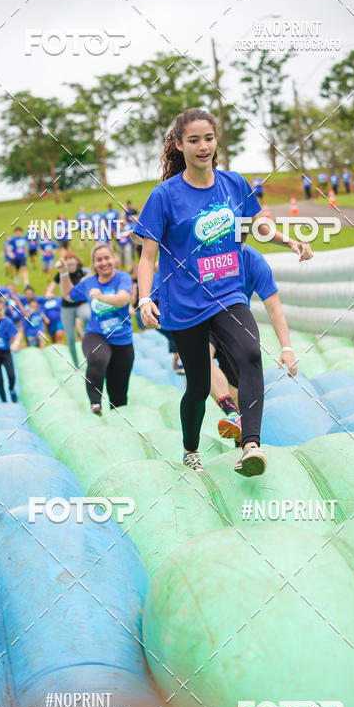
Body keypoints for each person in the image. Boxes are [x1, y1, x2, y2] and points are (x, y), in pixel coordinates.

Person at [135, 107, 266, 477]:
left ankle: (251, 445)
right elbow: (147, 257)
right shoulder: (165, 196)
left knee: (251, 354)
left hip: (227, 293)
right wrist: (146, 298)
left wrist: (290, 240)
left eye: (208, 138)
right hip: (184, 305)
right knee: (198, 385)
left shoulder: (234, 184)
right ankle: (191, 448)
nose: (203, 146)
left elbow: (259, 224)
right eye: (194, 140)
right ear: (179, 145)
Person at [211, 242, 297, 444]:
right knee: (200, 357)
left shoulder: (254, 261)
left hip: (234, 324)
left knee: (238, 388)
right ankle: (230, 411)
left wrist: (287, 348)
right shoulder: (207, 254)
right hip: (204, 319)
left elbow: (274, 308)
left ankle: (243, 441)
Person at [57, 244, 134, 415]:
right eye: (99, 259)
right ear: (93, 263)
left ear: (113, 259)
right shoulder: (89, 282)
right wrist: (63, 273)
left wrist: (100, 296)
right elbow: (68, 295)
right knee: (98, 357)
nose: (104, 262)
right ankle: (95, 404)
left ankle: (117, 422)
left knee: (119, 398)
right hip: (96, 335)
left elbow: (123, 299)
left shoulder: (123, 278)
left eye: (107, 258)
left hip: (122, 339)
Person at [46, 252, 88, 366]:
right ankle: (76, 364)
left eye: (72, 258)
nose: (70, 261)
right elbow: (50, 289)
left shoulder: (83, 272)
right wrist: (49, 293)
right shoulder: (60, 273)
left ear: (76, 261)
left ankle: (89, 356)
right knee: (70, 337)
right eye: (67, 259)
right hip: (67, 308)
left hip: (81, 304)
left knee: (86, 315)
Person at [0, 297, 21, 402]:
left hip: (6, 353)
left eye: (0, 310)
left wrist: (15, 343)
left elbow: (18, 334)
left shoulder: (7, 322)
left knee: (11, 376)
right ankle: (4, 401)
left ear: (5, 310)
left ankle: (11, 389)